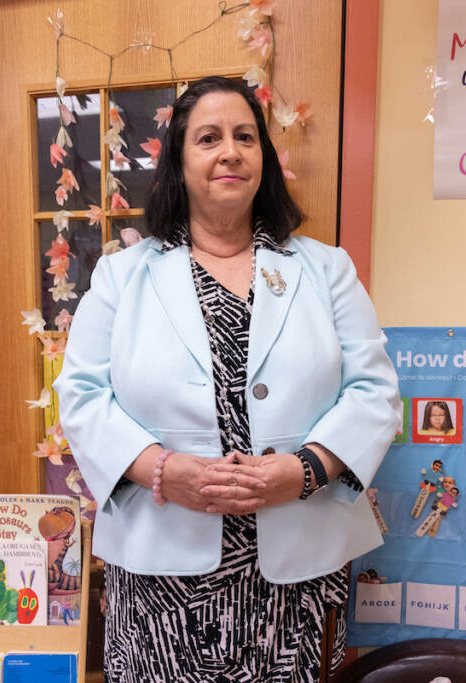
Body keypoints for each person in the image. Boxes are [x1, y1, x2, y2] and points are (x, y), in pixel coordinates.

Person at [54, 76, 401, 682]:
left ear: (264, 159)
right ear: (180, 163)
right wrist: (160, 469)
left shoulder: (326, 269)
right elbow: (82, 397)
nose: (229, 152)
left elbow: (374, 390)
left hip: (300, 570)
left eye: (245, 136)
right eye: (208, 138)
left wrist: (307, 469)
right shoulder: (121, 277)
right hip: (160, 574)